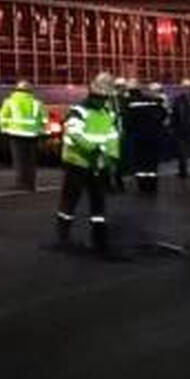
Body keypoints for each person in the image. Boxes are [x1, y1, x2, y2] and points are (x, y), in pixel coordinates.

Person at [56, 72, 121, 254]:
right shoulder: (79, 110)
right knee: (70, 200)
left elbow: (112, 136)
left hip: (98, 164)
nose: (104, 96)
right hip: (78, 162)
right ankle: (63, 236)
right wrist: (94, 149)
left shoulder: (107, 112)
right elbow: (74, 133)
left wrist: (112, 156)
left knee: (98, 202)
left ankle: (99, 238)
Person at [0, 80, 44, 191]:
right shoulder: (37, 103)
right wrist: (40, 130)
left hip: (16, 133)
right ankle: (31, 184)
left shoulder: (10, 101)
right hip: (33, 134)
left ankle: (21, 183)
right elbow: (43, 118)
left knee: (19, 160)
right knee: (31, 161)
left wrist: (4, 129)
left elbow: (3, 116)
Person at [122, 79, 167, 195]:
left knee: (140, 162)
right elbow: (162, 114)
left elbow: (126, 120)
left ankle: (142, 186)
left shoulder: (128, 103)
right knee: (152, 162)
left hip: (137, 136)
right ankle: (152, 186)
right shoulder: (152, 101)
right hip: (153, 135)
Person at [172, 79, 190, 180]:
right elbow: (175, 115)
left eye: (187, 87)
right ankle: (184, 171)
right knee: (183, 153)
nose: (186, 89)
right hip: (183, 130)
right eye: (185, 87)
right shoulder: (180, 100)